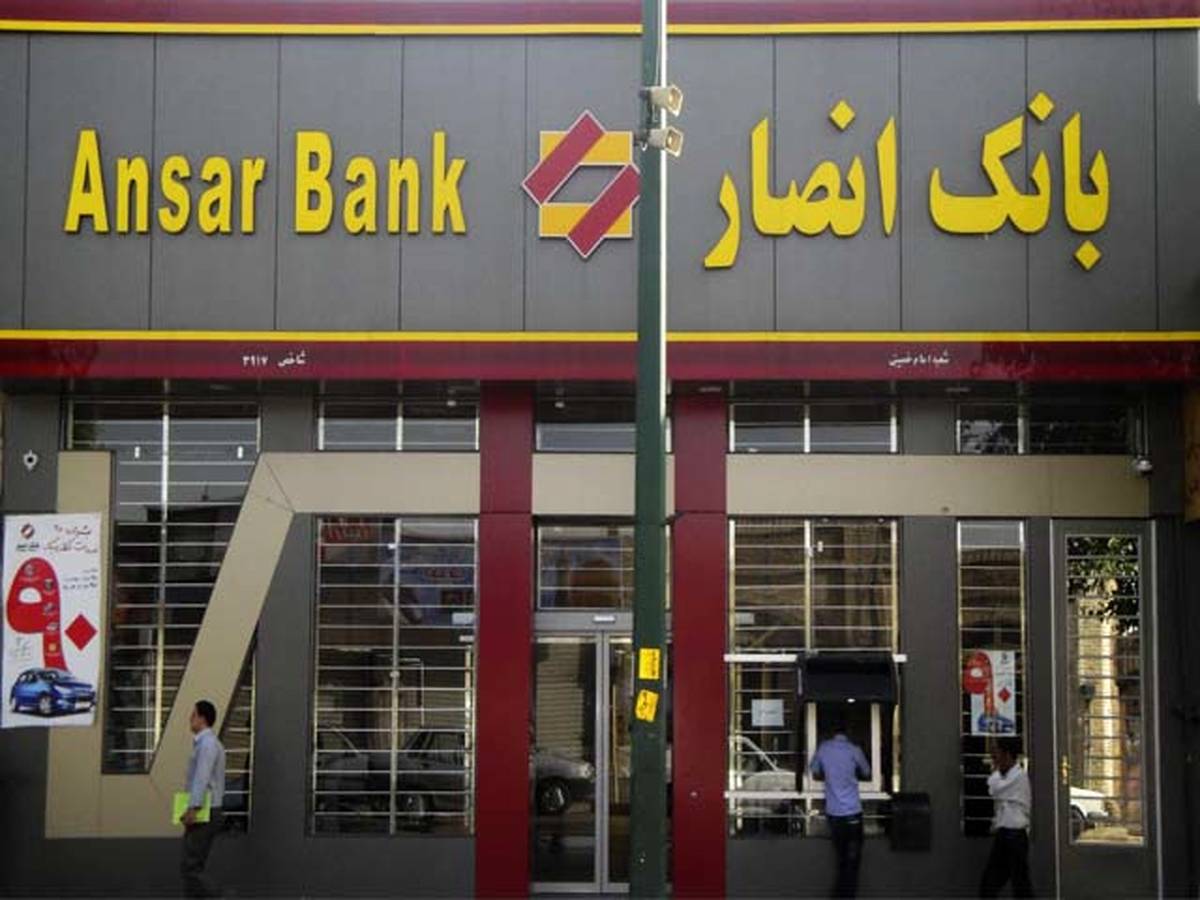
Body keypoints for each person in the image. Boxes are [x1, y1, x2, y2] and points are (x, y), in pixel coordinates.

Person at [809, 711, 871, 898]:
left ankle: (839, 895)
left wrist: (830, 774)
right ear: (848, 731)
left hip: (834, 814)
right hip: (852, 812)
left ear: (831, 731)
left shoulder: (824, 748)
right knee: (853, 862)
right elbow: (867, 772)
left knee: (841, 860)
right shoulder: (854, 750)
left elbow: (814, 770)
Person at [181, 699, 226, 899]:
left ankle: (219, 896)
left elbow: (202, 777)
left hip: (204, 811)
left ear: (202, 718)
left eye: (193, 715)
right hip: (205, 810)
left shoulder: (207, 744)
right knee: (191, 865)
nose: (190, 719)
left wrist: (193, 807)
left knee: (191, 866)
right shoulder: (209, 743)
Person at [979, 736, 1033, 898]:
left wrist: (995, 770)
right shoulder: (1009, 776)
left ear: (1007, 755)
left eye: (997, 754)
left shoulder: (1018, 777)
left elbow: (994, 789)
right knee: (996, 883)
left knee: (1019, 884)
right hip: (1006, 835)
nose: (994, 758)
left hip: (1014, 836)